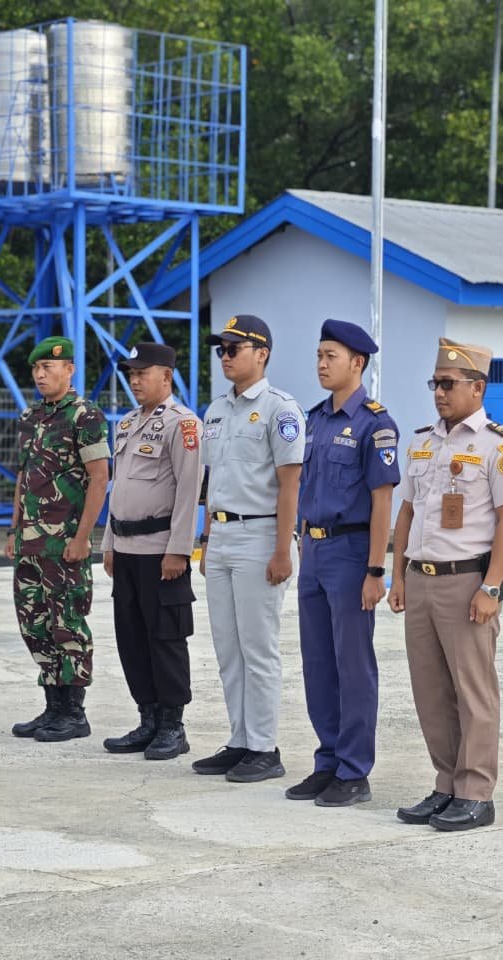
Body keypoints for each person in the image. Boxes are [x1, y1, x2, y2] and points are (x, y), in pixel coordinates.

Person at [387, 337, 503, 833]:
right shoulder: (423, 440)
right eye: (435, 384)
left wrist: (491, 587)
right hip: (421, 580)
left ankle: (476, 792)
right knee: (430, 691)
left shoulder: (500, 445)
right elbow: (406, 512)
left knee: (473, 692)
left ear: (477, 387)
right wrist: (398, 573)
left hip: (467, 582)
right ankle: (446, 783)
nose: (439, 393)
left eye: (449, 384)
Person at [286, 319, 400, 808]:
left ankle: (355, 771)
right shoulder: (315, 420)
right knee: (317, 663)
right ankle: (328, 760)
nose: (321, 363)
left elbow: (382, 503)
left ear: (358, 362)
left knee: (353, 665)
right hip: (312, 551)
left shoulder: (376, 424)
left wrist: (376, 570)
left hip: (352, 555)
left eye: (330, 355)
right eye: (318, 355)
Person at [193, 314, 304, 783]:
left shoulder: (281, 409)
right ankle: (239, 741)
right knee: (228, 648)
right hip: (220, 537)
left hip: (261, 536)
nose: (225, 355)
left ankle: (264, 746)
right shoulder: (216, 410)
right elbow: (210, 479)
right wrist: (205, 537)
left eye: (234, 348)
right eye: (221, 348)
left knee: (258, 649)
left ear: (262, 354)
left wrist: (283, 549)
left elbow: (290, 484)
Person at [100, 342, 203, 761]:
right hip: (125, 548)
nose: (135, 380)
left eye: (143, 373)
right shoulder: (125, 424)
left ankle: (173, 725)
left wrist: (179, 550)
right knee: (132, 637)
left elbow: (188, 489)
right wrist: (107, 544)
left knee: (165, 637)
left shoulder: (183, 425)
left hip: (161, 550)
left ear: (166, 376)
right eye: (131, 373)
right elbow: (117, 488)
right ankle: (148, 718)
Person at [6, 336, 110, 742]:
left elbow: (100, 478)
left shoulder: (85, 416)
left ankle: (74, 713)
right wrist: (14, 530)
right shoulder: (30, 417)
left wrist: (84, 537)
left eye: (48, 367)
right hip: (30, 542)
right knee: (34, 624)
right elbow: (23, 476)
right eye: (35, 369)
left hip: (65, 542)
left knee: (67, 623)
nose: (40, 374)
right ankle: (52, 707)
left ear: (69, 369)